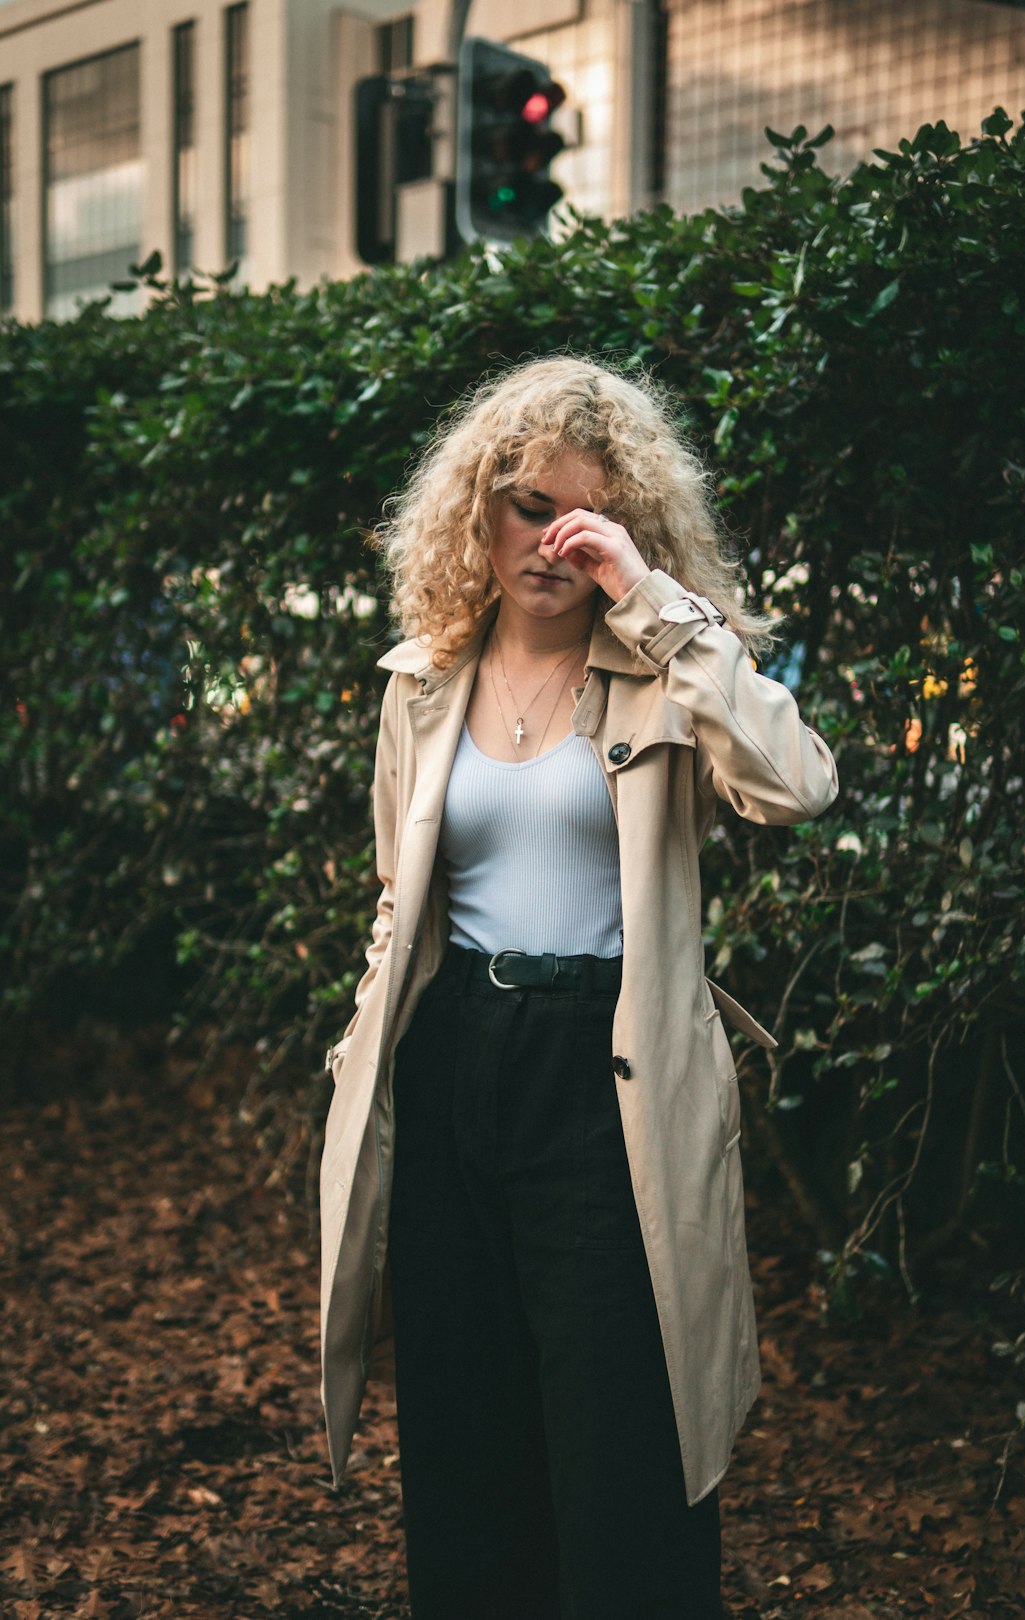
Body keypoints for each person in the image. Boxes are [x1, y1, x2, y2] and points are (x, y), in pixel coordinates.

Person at [319, 354, 839, 1619]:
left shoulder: (664, 664)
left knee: (621, 1426)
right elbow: (403, 897)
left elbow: (797, 786)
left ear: (619, 530)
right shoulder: (423, 681)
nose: (542, 540)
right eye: (518, 504)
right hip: (454, 1061)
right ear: (474, 512)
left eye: (579, 518)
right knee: (462, 1416)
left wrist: (652, 600)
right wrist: (361, 1057)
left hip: (606, 1073)